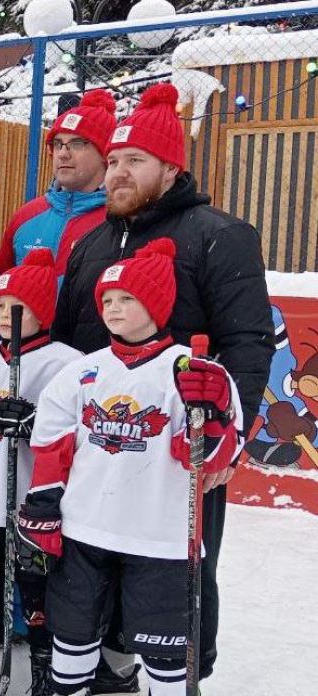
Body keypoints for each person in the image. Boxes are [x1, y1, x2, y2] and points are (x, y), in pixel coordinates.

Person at [51, 82, 274, 688]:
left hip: (178, 447)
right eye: (115, 160)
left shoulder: (217, 234)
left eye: (135, 162)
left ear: (171, 167)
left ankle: (185, 672)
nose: (118, 173)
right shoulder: (94, 240)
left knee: (182, 567)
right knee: (94, 559)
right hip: (102, 439)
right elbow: (70, 340)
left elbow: (249, 343)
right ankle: (108, 662)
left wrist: (230, 433)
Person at [19, 238, 243, 696]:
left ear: (158, 304)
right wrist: (43, 504)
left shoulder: (191, 371)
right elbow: (51, 446)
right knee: (73, 636)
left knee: (165, 653)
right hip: (85, 530)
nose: (113, 308)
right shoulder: (84, 371)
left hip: (160, 539)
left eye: (128, 298)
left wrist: (215, 418)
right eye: (107, 299)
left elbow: (210, 461)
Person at [0, 249, 83, 696]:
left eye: (17, 307)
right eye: (0, 307)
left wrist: (34, 425)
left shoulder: (67, 363)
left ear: (42, 311)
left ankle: (45, 663)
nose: (6, 315)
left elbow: (78, 435)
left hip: (33, 503)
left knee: (38, 586)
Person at [0, 90, 116, 275]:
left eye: (77, 144)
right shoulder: (25, 217)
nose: (62, 153)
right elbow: (1, 290)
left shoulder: (120, 223)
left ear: (104, 154)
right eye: (58, 144)